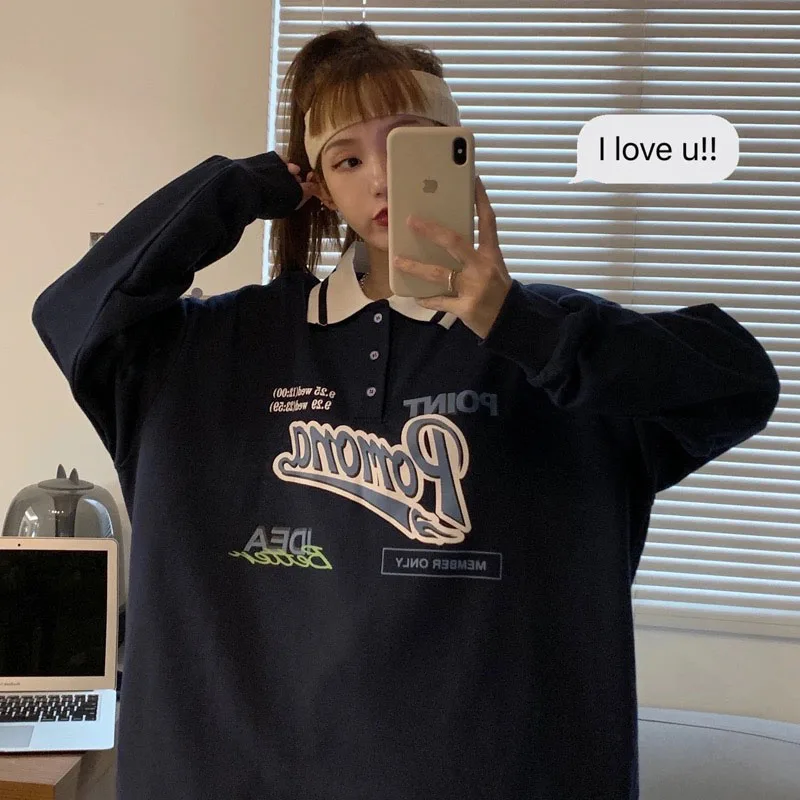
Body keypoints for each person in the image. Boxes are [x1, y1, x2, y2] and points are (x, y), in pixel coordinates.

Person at [31, 21, 779, 800]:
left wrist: (519, 324)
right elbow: (73, 314)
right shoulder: (210, 351)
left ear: (460, 154)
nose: (383, 178)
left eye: (408, 144)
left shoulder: (555, 344)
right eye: (348, 158)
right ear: (318, 186)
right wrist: (244, 188)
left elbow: (739, 382)